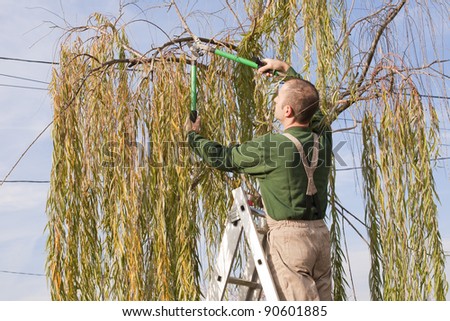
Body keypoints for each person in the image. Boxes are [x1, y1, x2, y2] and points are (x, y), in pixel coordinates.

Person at [185, 59, 332, 301]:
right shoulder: (323, 140)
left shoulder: (272, 146)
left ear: (288, 111)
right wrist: (286, 71)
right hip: (320, 237)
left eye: (278, 96)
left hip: (290, 240)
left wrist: (193, 137)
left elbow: (224, 157)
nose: (274, 99)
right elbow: (313, 109)